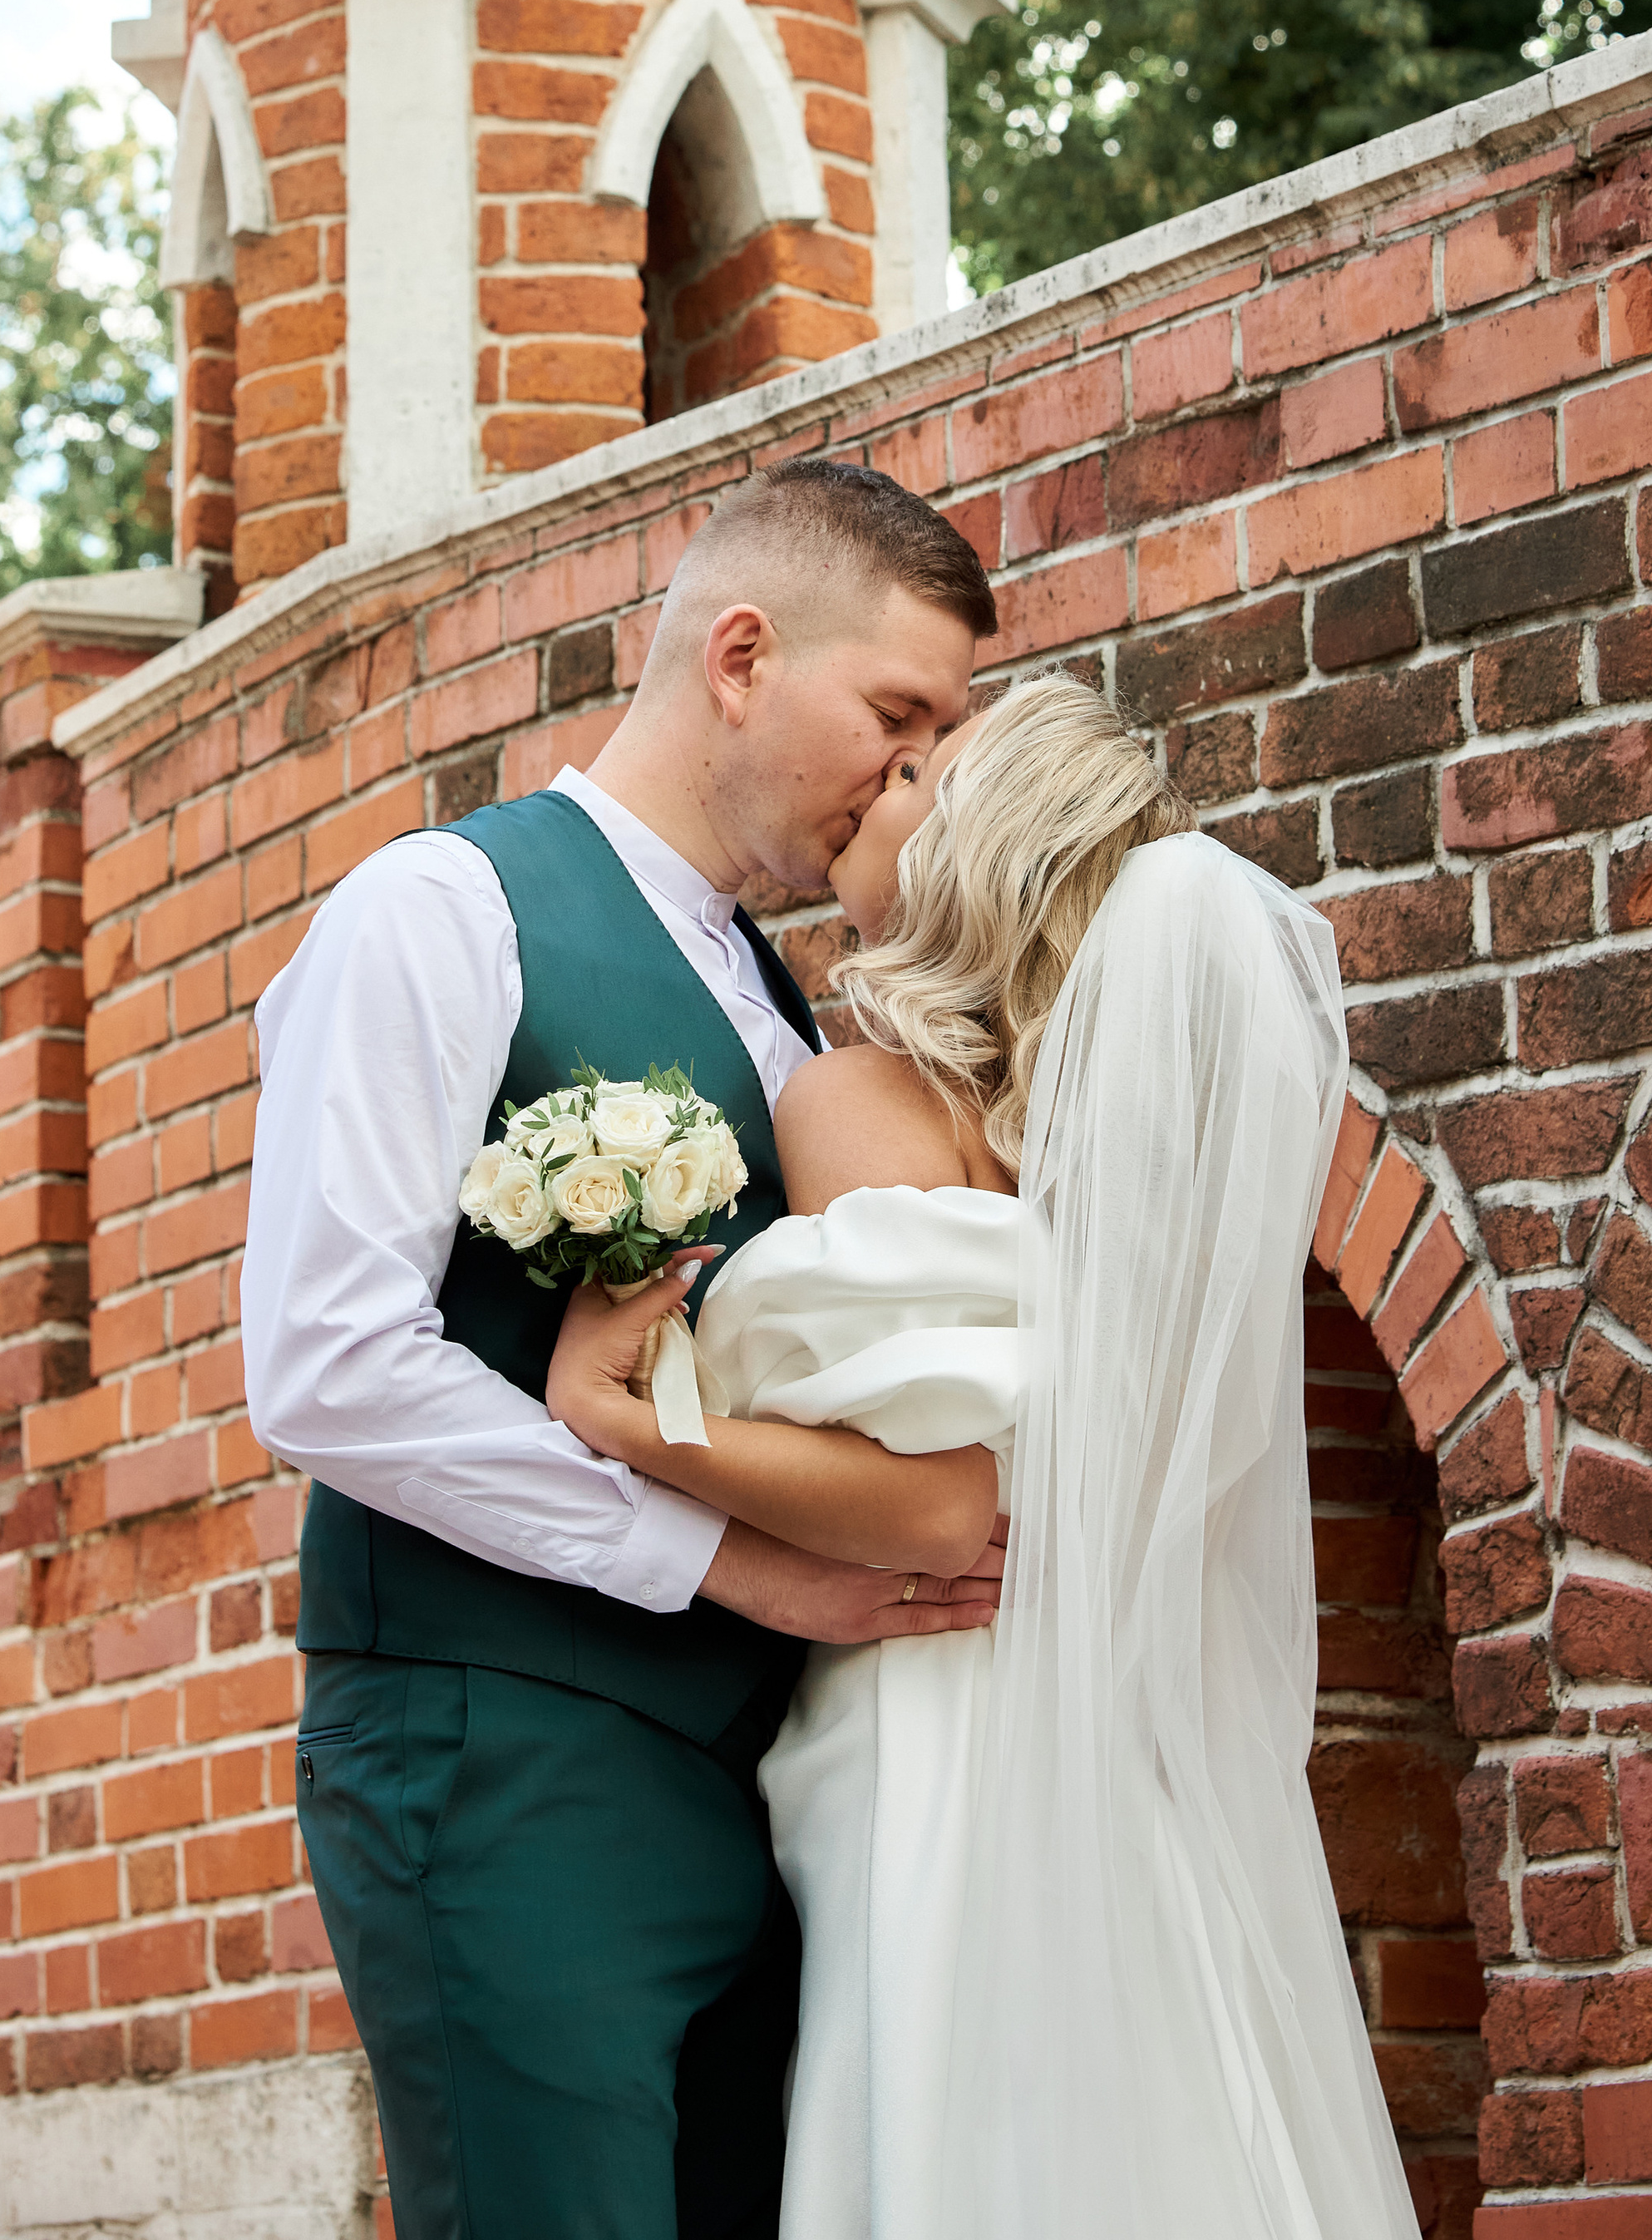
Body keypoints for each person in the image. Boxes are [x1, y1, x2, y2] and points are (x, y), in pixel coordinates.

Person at [550, 674, 1421, 2240]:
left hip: (952, 1731)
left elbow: (945, 1506)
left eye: (916, 776)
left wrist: (630, 1421)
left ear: (975, 853)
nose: (878, 779)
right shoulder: (1119, 1153)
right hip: (1119, 1749)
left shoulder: (863, 1096)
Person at [240, 458, 1004, 2240]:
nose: (913, 773)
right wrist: (727, 1560)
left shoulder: (783, 1004)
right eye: (895, 716)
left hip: (757, 1785)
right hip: (505, 1758)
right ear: (740, 656)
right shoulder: (440, 909)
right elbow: (329, 1364)